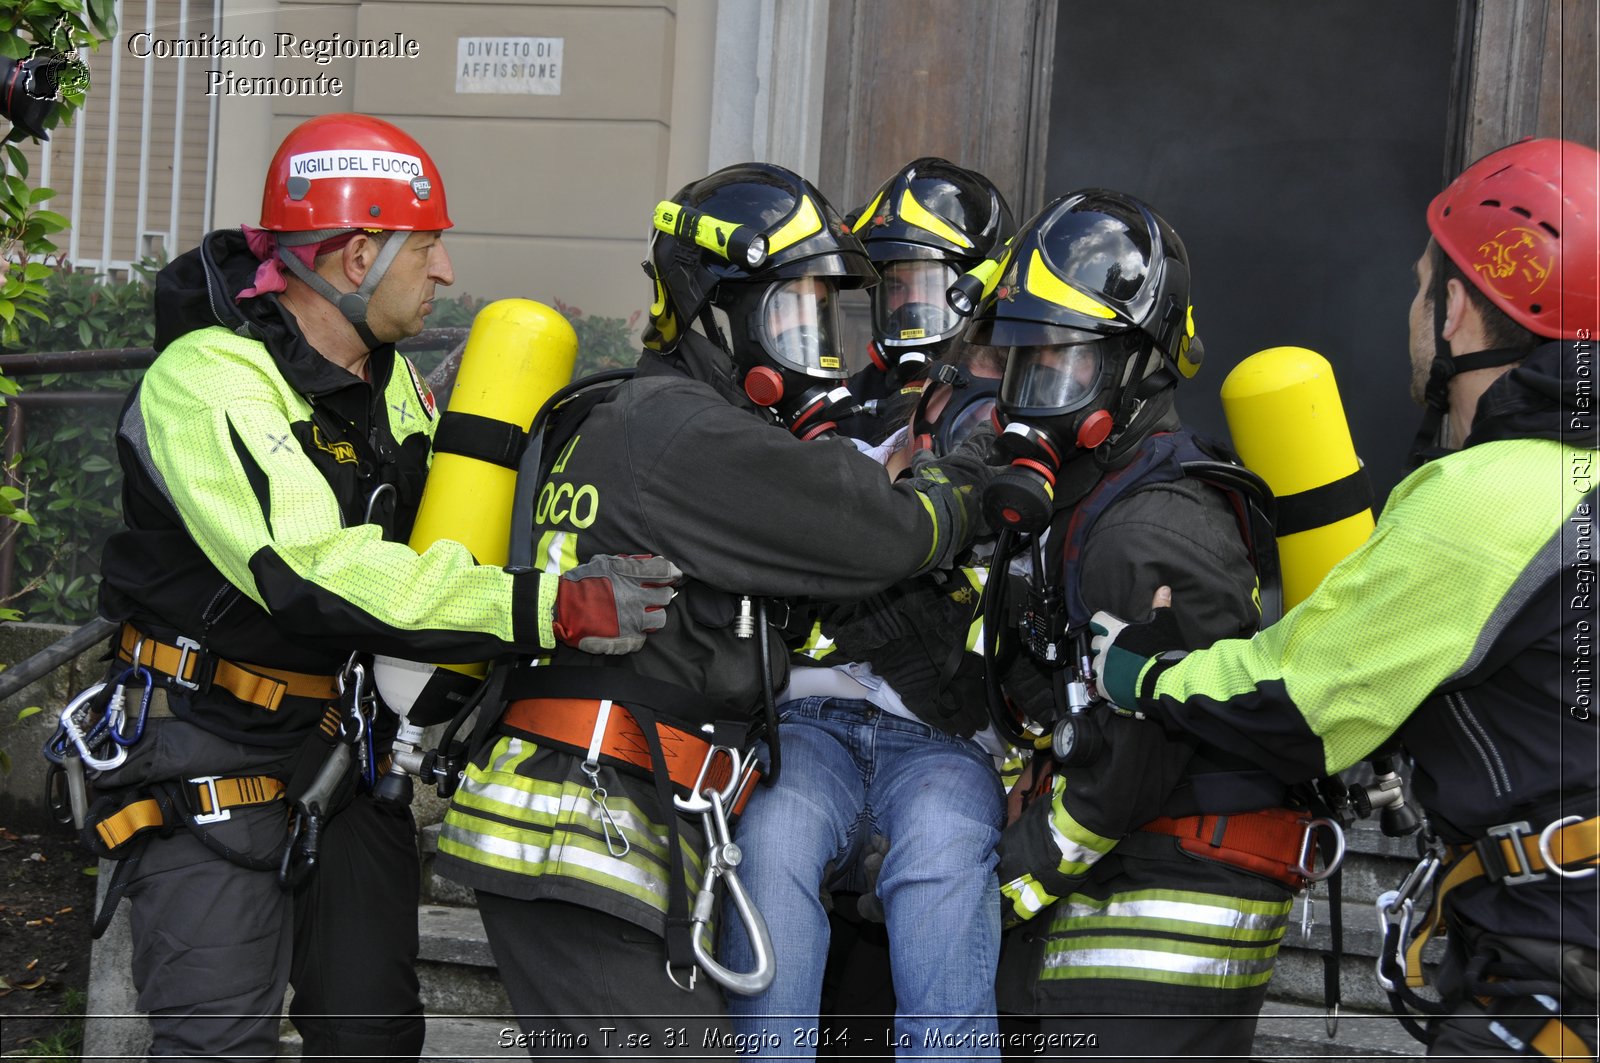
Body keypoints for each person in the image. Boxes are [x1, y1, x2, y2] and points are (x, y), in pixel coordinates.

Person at [88, 113, 676, 1062]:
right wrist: (542, 604)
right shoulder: (205, 380)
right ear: (358, 254)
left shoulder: (393, 385)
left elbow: (449, 529)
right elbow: (309, 568)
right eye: (430, 246)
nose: (442, 272)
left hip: (343, 741)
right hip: (205, 737)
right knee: (216, 1042)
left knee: (372, 1038)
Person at [433, 162, 1001, 1055]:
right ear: (715, 309)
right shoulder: (690, 434)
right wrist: (984, 486)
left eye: (822, 317)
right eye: (789, 314)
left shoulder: (633, 417)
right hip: (586, 830)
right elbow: (882, 533)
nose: (811, 348)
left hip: (593, 828)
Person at [1087, 137, 1598, 1057]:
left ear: (1459, 315)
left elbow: (1297, 699)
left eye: (1421, 289)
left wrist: (1138, 672)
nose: (1411, 311)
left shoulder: (1494, 497)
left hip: (1559, 960)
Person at [968, 189, 1306, 1060]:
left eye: (1060, 368)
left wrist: (1009, 876)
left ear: (1137, 367)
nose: (1029, 398)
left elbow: (1140, 756)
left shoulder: (1147, 529)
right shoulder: (1101, 495)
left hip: (1168, 914)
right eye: (1022, 366)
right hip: (1135, 888)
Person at [720, 336, 1015, 1058]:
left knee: (945, 851)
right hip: (810, 725)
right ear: (930, 392)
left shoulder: (1022, 498)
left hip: (945, 750)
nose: (984, 418)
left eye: (1006, 397)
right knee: (770, 840)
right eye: (975, 379)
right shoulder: (831, 459)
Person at [835, 157, 1014, 444]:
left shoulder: (1013, 403)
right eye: (895, 287)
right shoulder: (847, 404)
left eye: (929, 285)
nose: (912, 306)